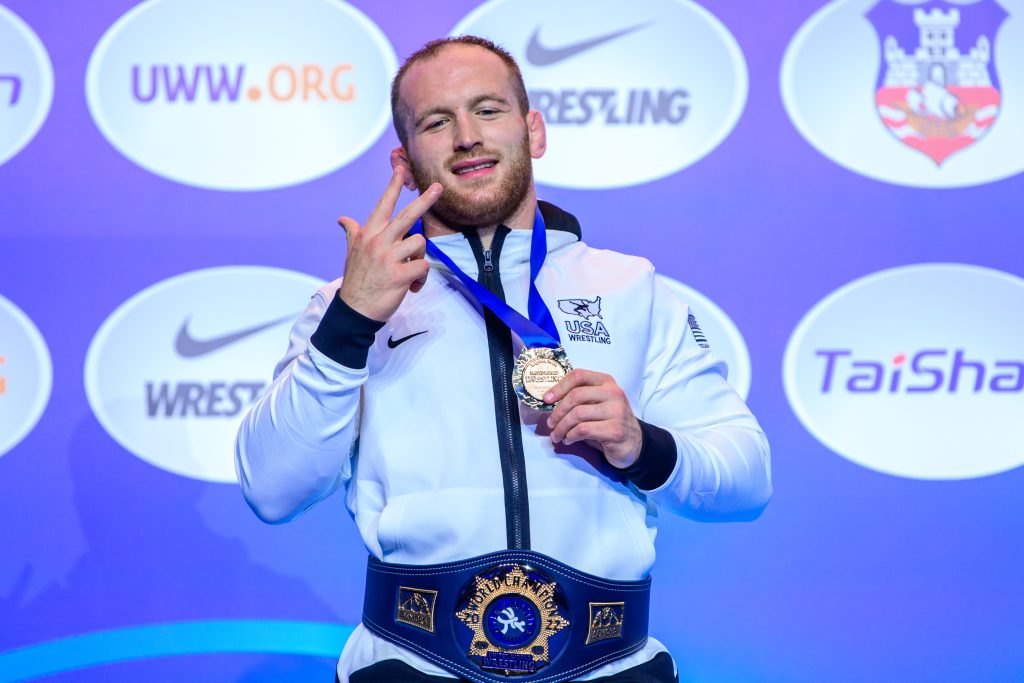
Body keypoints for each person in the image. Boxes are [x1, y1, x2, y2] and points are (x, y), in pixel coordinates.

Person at [235, 35, 772, 683]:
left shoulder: (632, 287)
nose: (466, 135)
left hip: (610, 666)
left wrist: (642, 444)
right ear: (403, 162)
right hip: (413, 665)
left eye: (487, 110)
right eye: (437, 121)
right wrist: (350, 320)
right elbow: (270, 489)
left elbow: (749, 480)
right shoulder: (345, 307)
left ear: (533, 129)